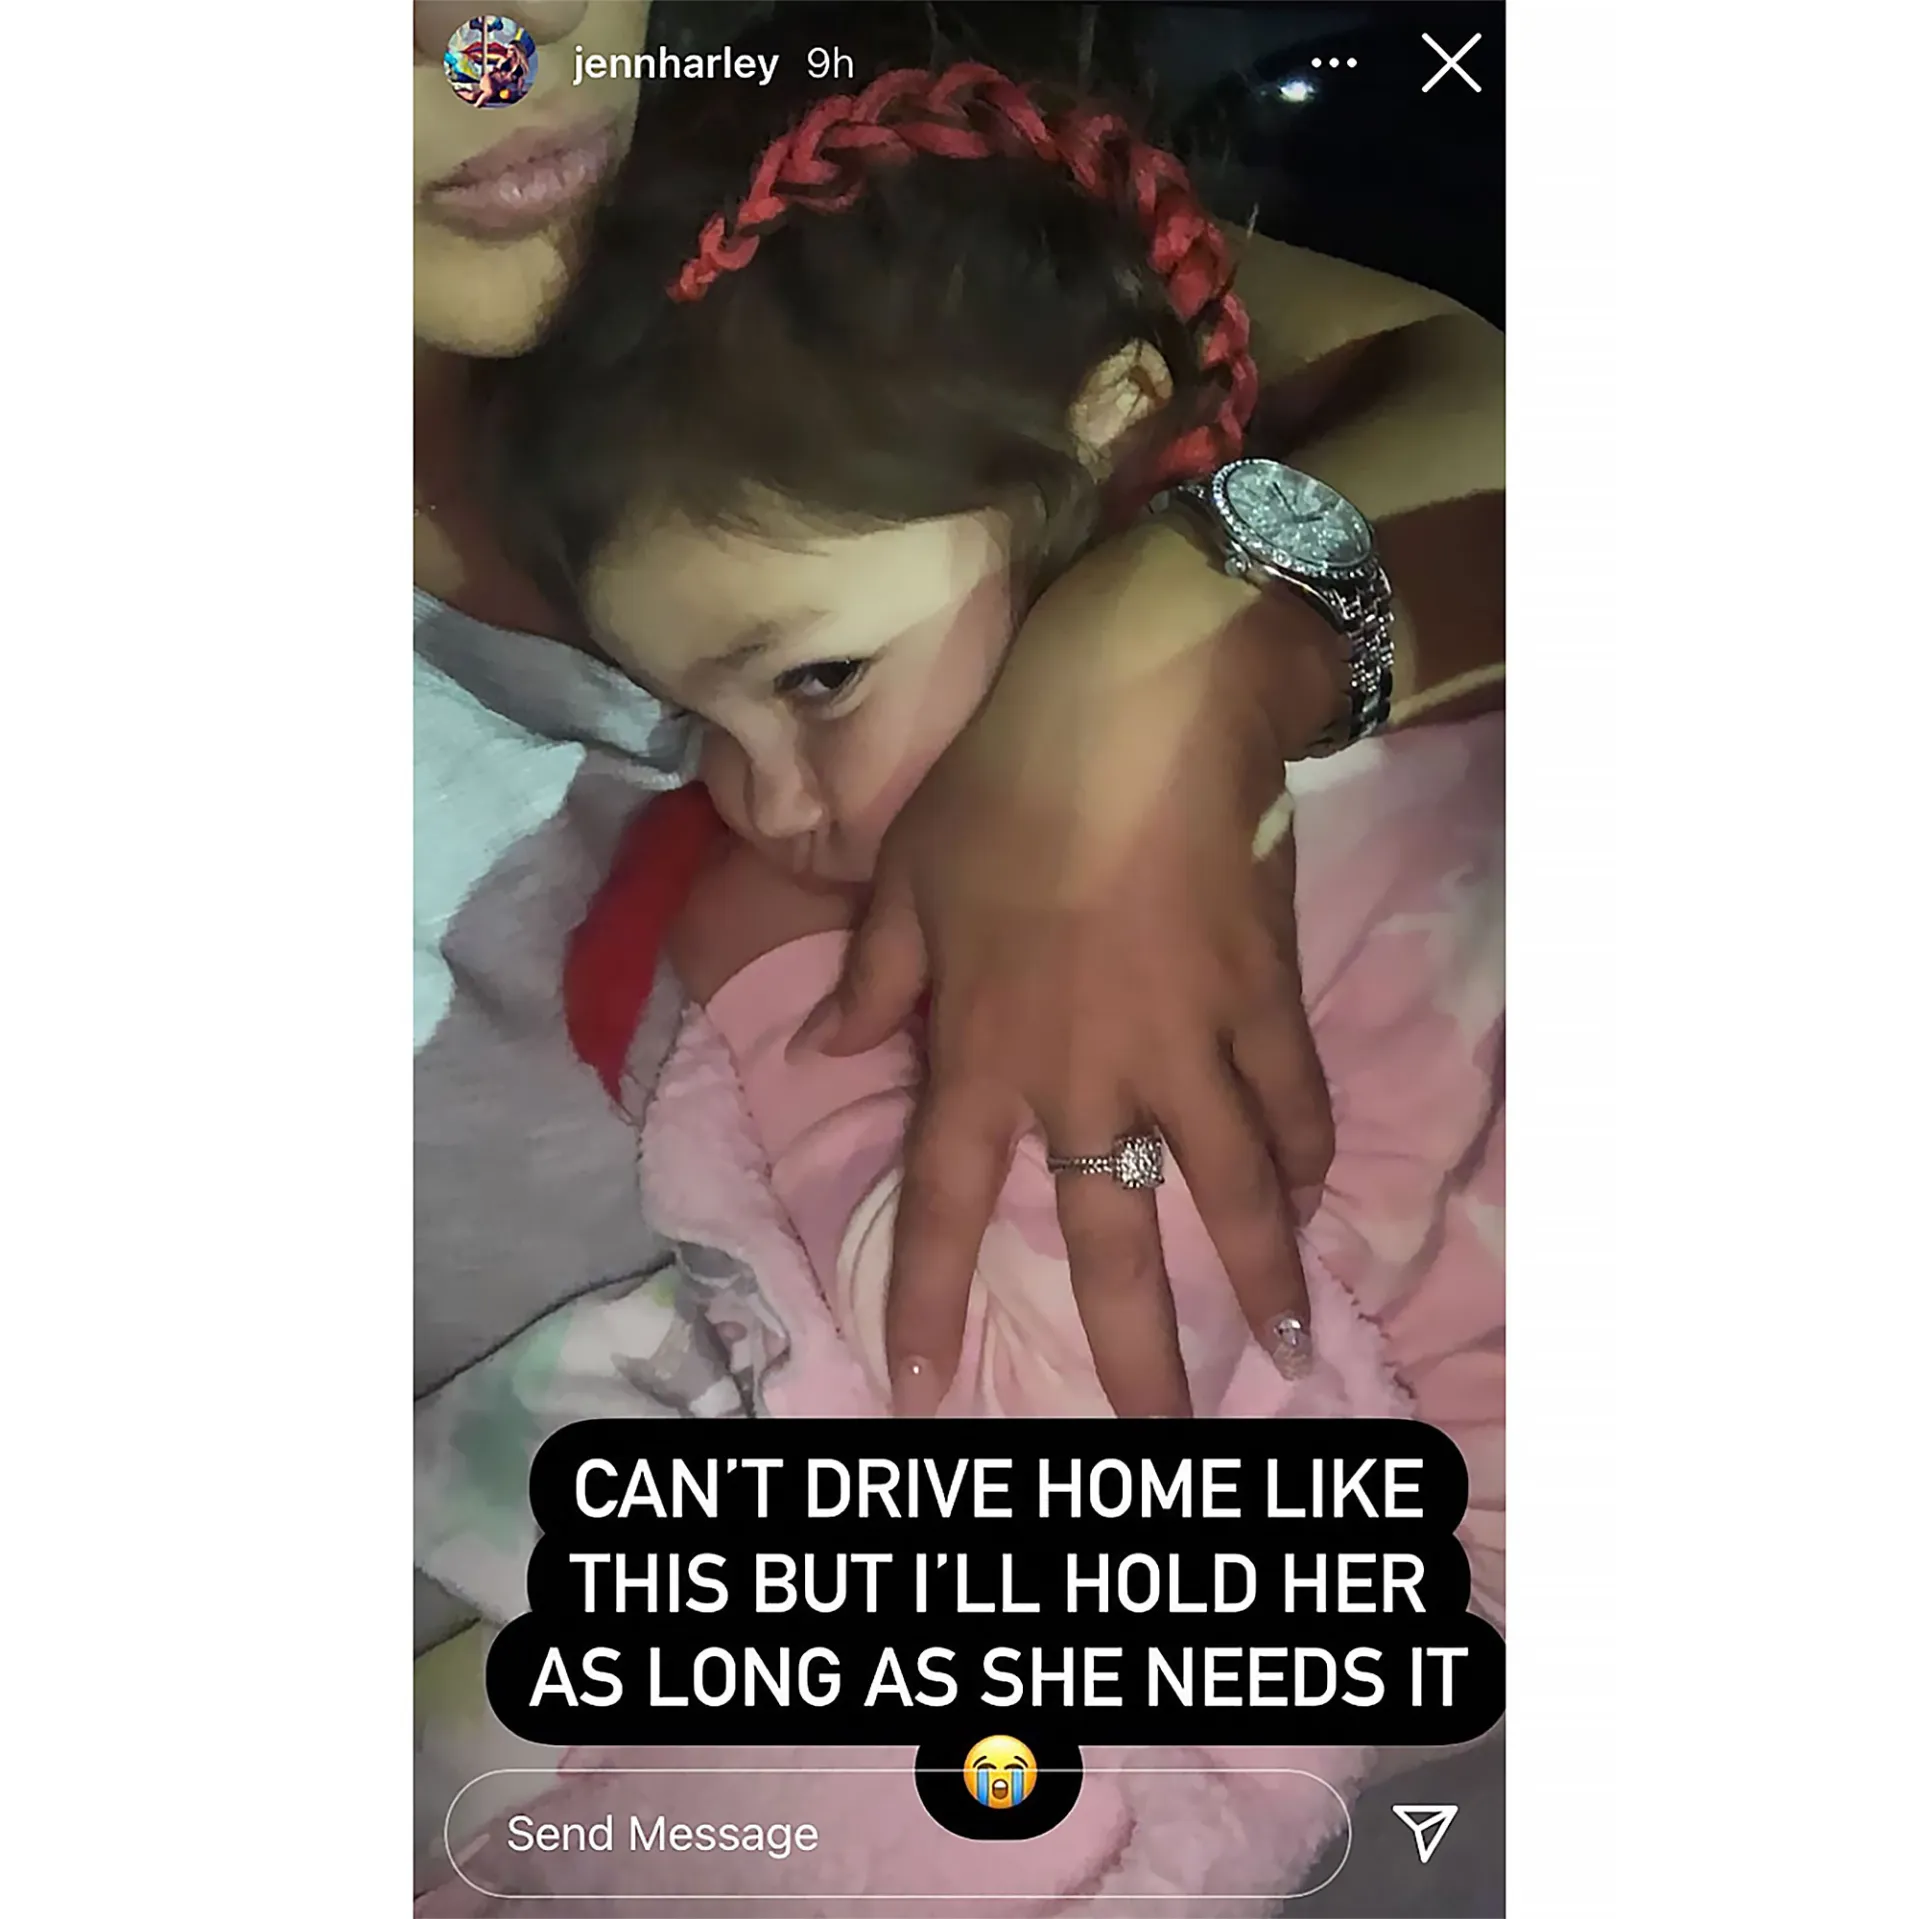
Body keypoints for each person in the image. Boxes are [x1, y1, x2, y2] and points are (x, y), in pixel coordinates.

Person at [413, 0, 1502, 1519]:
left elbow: (1465, 396)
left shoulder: (773, 192)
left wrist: (1165, 646)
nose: (503, 26)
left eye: (820, 681)